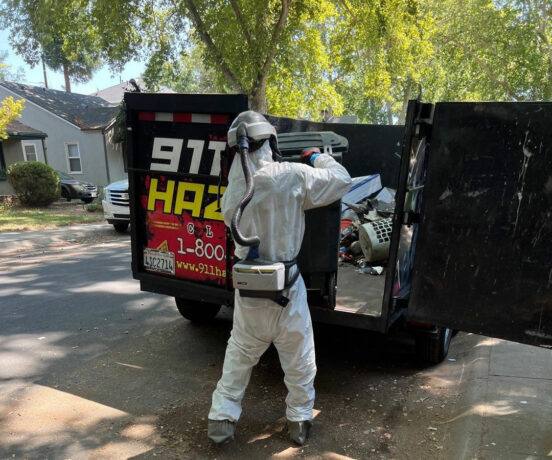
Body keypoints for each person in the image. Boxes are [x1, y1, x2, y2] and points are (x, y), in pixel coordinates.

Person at [208, 111, 351, 445]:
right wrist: (316, 157)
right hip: (286, 288)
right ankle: (299, 421)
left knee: (239, 355)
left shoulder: (234, 189)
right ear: (269, 140)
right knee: (300, 359)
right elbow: (341, 180)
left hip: (249, 293)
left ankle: (221, 420)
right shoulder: (290, 175)